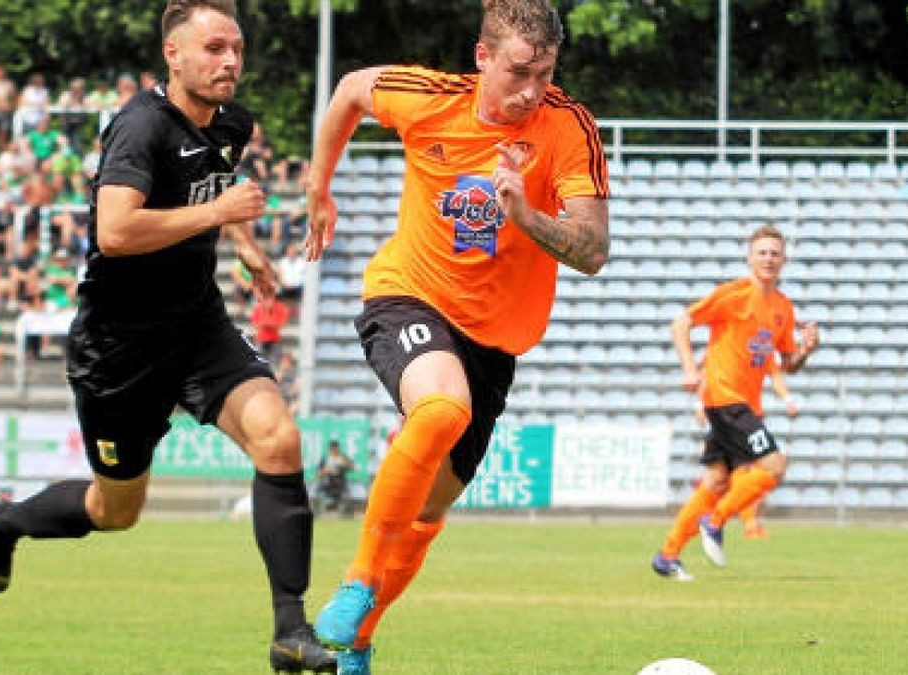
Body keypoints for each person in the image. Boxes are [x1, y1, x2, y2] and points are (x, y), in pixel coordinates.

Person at [0, 3, 335, 673]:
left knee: (279, 439)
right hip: (120, 349)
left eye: (237, 49)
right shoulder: (139, 128)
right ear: (174, 55)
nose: (230, 61)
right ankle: (6, 521)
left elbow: (217, 184)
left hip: (197, 326)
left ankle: (291, 630)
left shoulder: (232, 122)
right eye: (214, 48)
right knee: (115, 510)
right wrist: (220, 213)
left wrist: (244, 242)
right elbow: (115, 231)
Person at [302, 1, 610, 671]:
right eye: (518, 72)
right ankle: (355, 582)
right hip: (408, 293)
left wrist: (525, 213)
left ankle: (357, 637)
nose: (531, 90)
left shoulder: (567, 126)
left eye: (545, 73)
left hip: (496, 343)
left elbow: (592, 249)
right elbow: (352, 89)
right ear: (483, 57)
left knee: (426, 515)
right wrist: (319, 185)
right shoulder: (429, 98)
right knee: (442, 406)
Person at [651, 225, 820, 582]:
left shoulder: (783, 308)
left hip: (746, 405)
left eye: (775, 253)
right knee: (774, 465)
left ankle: (667, 555)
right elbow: (681, 323)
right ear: (750, 257)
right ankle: (714, 521)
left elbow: (787, 363)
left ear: (784, 259)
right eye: (762, 252)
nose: (769, 259)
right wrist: (689, 369)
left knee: (715, 479)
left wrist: (806, 349)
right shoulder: (732, 295)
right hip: (725, 398)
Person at [693, 364, 798, 540]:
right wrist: (699, 406)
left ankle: (745, 523)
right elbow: (706, 374)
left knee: (745, 476)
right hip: (731, 417)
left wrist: (788, 399)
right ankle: (726, 521)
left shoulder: (762, 345)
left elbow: (776, 374)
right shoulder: (727, 347)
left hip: (748, 419)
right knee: (744, 474)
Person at [314, 439, 356, 516]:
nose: (334, 450)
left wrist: (344, 463)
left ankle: (346, 515)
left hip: (340, 484)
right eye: (332, 448)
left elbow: (353, 467)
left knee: (347, 496)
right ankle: (318, 513)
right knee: (316, 491)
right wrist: (326, 470)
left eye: (335, 448)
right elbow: (317, 473)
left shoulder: (342, 458)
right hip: (327, 484)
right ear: (330, 449)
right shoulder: (325, 459)